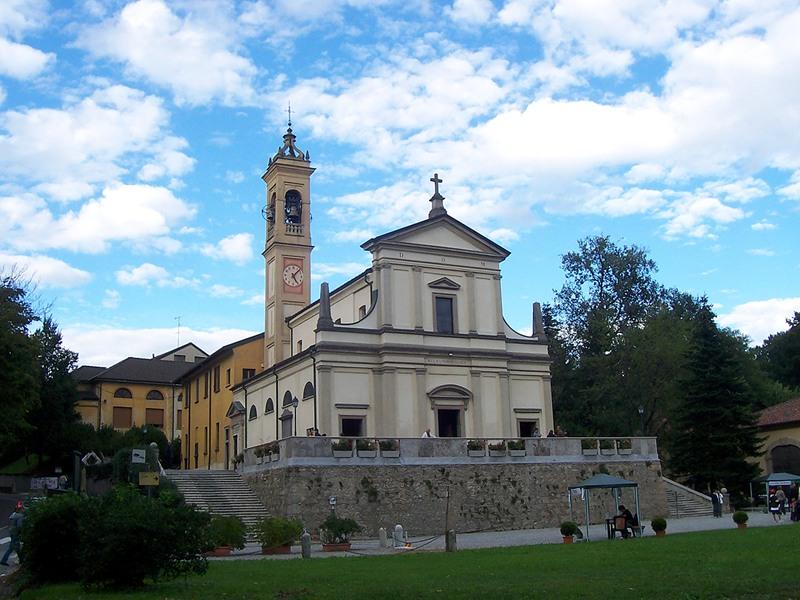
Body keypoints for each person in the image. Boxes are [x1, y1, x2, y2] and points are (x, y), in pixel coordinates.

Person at [1, 501, 25, 566]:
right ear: (20, 510)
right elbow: (19, 526)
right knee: (12, 547)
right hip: (16, 532)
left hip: (11, 531)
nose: (23, 510)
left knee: (15, 547)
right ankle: (4, 560)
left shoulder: (13, 515)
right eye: (22, 509)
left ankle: (21, 560)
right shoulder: (20, 516)